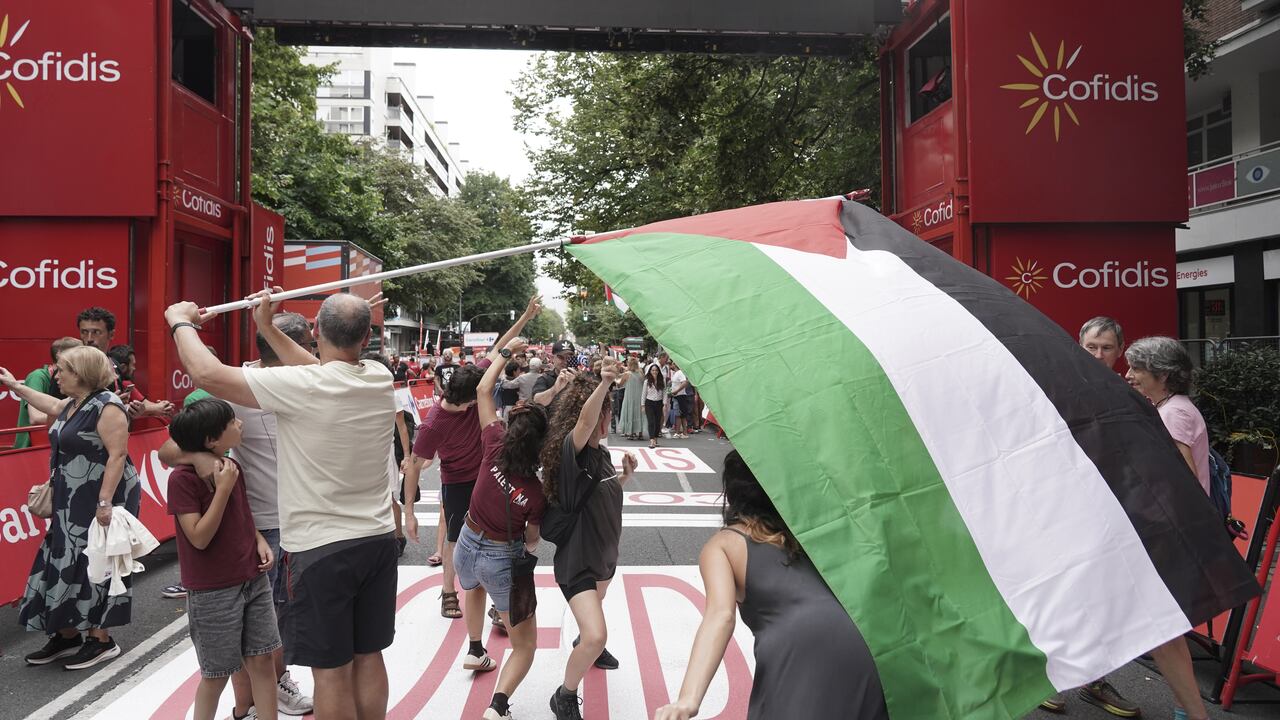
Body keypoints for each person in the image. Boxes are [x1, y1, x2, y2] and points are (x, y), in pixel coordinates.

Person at [165, 291, 397, 720]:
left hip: (322, 550)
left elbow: (207, 373)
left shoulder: (303, 386)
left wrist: (179, 320)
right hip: (377, 540)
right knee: (369, 656)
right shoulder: (377, 376)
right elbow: (322, 369)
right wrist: (268, 328)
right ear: (367, 337)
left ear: (315, 332)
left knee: (330, 671)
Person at [158, 307, 317, 717]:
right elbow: (168, 451)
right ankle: (257, 696)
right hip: (258, 527)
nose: (314, 351)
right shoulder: (234, 387)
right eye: (309, 344)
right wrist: (205, 460)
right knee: (234, 653)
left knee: (268, 631)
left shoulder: (309, 382)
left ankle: (253, 700)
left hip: (284, 523)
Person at [654, 450, 889, 720]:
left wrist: (688, 699)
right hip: (863, 640)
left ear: (731, 493)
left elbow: (720, 616)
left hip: (796, 649)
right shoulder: (805, 531)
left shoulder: (724, 544)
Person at [3, 346, 141, 670]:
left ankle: (101, 640)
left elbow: (117, 456)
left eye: (62, 369)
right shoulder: (74, 403)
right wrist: (15, 386)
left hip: (100, 496)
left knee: (97, 560)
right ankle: (67, 634)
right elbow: (49, 404)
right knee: (63, 558)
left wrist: (105, 503)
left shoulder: (108, 406)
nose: (56, 374)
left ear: (81, 374)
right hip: (72, 497)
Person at [405, 296, 542, 619]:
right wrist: (409, 511)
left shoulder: (471, 382)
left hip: (488, 474)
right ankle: (448, 592)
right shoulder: (433, 425)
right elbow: (412, 466)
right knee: (455, 539)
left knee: (504, 534)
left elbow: (498, 346)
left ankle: (500, 598)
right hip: (456, 482)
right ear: (468, 402)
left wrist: (525, 314)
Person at [1038, 316, 1140, 716]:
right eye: (1092, 347)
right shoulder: (1056, 385)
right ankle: (1044, 676)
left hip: (1113, 507)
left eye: (1107, 347)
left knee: (1103, 596)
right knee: (1057, 590)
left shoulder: (1127, 393)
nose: (1099, 355)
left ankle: (1094, 679)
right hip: (1062, 503)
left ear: (1120, 351)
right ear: (1078, 346)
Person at [165, 399, 280, 720]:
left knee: (262, 659)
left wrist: (258, 540)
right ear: (211, 440)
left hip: (252, 577)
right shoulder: (183, 479)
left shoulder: (230, 466)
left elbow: (242, 515)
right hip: (212, 590)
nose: (240, 424)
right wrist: (222, 490)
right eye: (232, 422)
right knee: (216, 673)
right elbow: (199, 537)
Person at [456, 335, 550, 720]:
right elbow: (531, 540)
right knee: (525, 645)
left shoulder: (493, 442)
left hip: (466, 541)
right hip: (500, 555)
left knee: (472, 587)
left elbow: (482, 388)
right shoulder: (535, 492)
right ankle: (497, 707)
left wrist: (508, 351)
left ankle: (475, 648)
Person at [1125, 336, 1213, 720]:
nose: (1128, 375)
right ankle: (1188, 712)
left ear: (1162, 375)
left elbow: (1183, 481)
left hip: (1171, 536)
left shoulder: (1173, 414)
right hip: (1171, 534)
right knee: (1162, 630)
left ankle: (1192, 714)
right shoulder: (1172, 407)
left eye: (1136, 370)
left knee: (1163, 630)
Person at [543, 367, 637, 720]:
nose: (607, 417)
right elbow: (584, 424)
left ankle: (590, 650)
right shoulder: (574, 454)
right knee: (595, 635)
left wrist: (625, 478)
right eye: (607, 411)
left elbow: (601, 498)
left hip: (604, 559)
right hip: (578, 564)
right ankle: (564, 696)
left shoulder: (603, 457)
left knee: (593, 624)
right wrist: (605, 383)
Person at [76, 307, 173, 420]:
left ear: (111, 334)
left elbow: (123, 406)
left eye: (96, 332)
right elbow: (59, 410)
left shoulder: (114, 364)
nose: (89, 339)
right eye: (84, 332)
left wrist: (129, 410)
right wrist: (107, 405)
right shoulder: (70, 368)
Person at [11, 336, 81, 449]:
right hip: (30, 449)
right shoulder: (38, 376)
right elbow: (36, 418)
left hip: (52, 445)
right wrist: (83, 415)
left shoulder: (70, 383)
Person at [532, 340, 579, 406]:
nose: (565, 362)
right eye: (561, 357)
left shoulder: (579, 378)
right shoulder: (544, 379)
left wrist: (578, 383)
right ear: (552, 358)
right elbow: (536, 401)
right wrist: (555, 389)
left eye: (569, 358)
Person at [618, 357, 646, 441]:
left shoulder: (627, 374)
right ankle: (640, 433)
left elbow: (620, 384)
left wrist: (615, 380)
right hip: (639, 396)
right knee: (639, 413)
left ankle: (631, 433)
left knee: (630, 412)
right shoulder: (641, 373)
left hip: (630, 396)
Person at [643, 362, 666, 449]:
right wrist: (642, 405)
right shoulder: (647, 381)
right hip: (649, 403)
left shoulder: (662, 380)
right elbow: (643, 394)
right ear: (650, 371)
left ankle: (655, 438)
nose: (654, 372)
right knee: (651, 421)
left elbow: (664, 392)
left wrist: (665, 403)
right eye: (653, 370)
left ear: (658, 371)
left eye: (656, 370)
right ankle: (652, 440)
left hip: (659, 403)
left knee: (657, 422)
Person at [670, 362, 692, 439]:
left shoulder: (680, 372)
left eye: (672, 364)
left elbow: (685, 382)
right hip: (678, 396)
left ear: (675, 364)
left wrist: (677, 391)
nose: (671, 365)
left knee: (678, 415)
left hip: (680, 396)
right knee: (681, 415)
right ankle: (684, 433)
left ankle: (678, 432)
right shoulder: (677, 373)